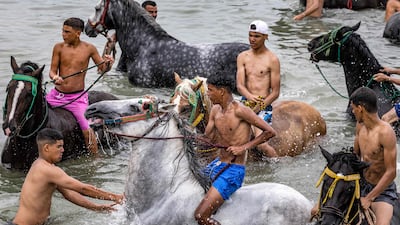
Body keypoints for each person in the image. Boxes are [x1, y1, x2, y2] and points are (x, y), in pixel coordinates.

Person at [194, 72, 277, 225]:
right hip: (217, 165)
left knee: (200, 216)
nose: (208, 94)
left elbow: (270, 132)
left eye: (210, 90)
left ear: (222, 91)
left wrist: (244, 147)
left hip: (233, 171)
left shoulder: (241, 110)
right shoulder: (215, 110)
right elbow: (207, 139)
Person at [12, 128, 124, 225]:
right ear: (46, 148)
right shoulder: (47, 170)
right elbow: (83, 188)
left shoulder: (40, 165)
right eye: (59, 146)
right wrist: (116, 197)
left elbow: (69, 193)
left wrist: (96, 207)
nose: (63, 150)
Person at [46, 17, 114, 155]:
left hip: (76, 98)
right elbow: (52, 71)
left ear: (78, 33)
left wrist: (109, 64)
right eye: (62, 31)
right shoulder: (58, 47)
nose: (63, 34)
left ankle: (95, 160)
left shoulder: (89, 49)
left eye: (67, 32)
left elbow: (102, 70)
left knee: (86, 130)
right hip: (56, 96)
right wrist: (55, 77)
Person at [351, 87, 398, 225]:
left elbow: (391, 172)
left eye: (353, 108)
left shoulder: (386, 133)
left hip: (382, 190)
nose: (352, 111)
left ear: (360, 108)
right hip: (362, 184)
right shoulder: (360, 127)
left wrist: (370, 198)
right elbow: (355, 157)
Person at [236, 20, 280, 157]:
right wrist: (249, 97)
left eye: (257, 36)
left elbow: (275, 92)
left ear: (265, 37)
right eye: (250, 35)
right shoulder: (242, 57)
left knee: (262, 145)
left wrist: (259, 107)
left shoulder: (272, 59)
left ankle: (277, 164)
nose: (252, 39)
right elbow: (240, 85)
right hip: (244, 103)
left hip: (263, 106)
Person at [108, 1, 157, 72]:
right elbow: (111, 41)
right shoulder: (131, 27)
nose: (154, 15)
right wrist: (104, 64)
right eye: (151, 12)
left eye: (155, 12)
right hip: (124, 71)